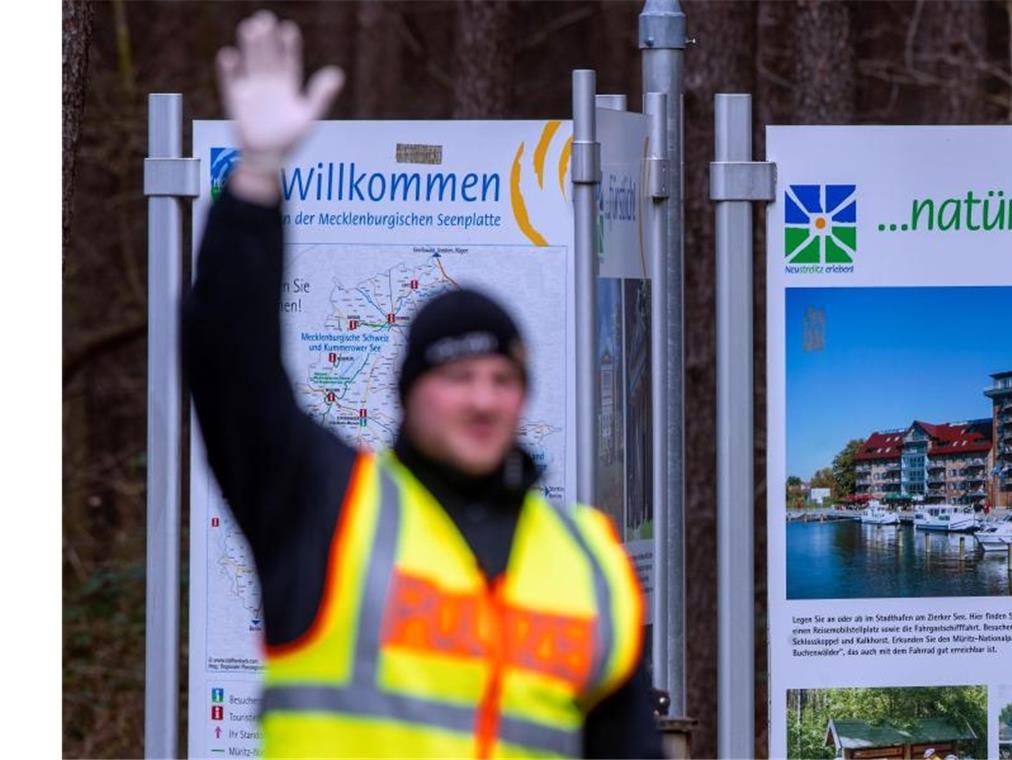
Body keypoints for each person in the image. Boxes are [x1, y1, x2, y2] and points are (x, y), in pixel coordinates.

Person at [182, 10, 664, 759]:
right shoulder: (324, 506)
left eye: (502, 378)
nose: (481, 397)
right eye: (457, 376)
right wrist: (254, 183)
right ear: (409, 393)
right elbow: (230, 369)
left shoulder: (591, 565)